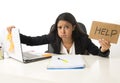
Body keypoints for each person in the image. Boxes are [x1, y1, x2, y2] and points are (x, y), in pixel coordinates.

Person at [7, 12, 111, 57]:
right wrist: (15, 34)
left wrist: (104, 50)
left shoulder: (83, 39)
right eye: (59, 27)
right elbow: (32, 41)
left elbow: (98, 53)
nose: (62, 31)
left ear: (73, 27)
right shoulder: (53, 37)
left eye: (66, 27)